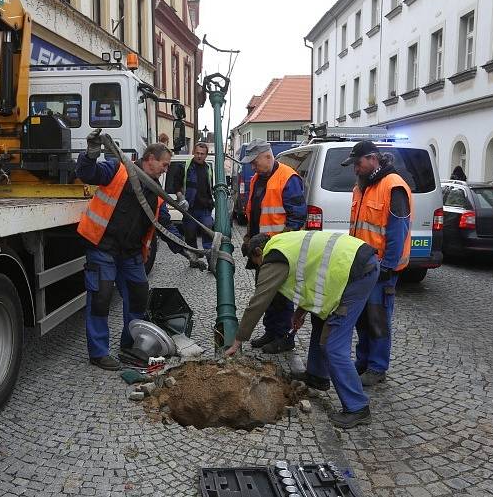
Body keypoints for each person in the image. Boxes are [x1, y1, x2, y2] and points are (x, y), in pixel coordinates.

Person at [225, 231, 379, 429]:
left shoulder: (274, 258)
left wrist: (238, 339)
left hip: (357, 273)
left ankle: (358, 407)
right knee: (320, 321)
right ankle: (317, 376)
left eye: (256, 263)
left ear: (258, 251)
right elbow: (312, 275)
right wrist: (301, 311)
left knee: (333, 345)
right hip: (354, 265)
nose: (259, 268)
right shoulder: (284, 244)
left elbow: (259, 301)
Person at [76, 129, 202, 371]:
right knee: (101, 298)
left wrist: (186, 250)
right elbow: (87, 173)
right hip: (103, 247)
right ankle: (99, 353)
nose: (166, 169)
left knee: (138, 297)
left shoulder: (156, 192)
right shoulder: (117, 169)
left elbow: (164, 226)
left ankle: (130, 344)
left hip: (131, 254)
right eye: (164, 165)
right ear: (150, 158)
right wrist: (91, 154)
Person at [342, 140, 412, 386]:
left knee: (378, 319)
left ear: (373, 159)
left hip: (381, 270)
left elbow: (397, 231)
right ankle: (363, 362)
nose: (355, 169)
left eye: (358, 163)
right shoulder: (361, 187)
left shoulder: (393, 187)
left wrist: (387, 267)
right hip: (362, 266)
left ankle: (377, 367)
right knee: (362, 318)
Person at [242, 138, 306, 354]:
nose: (252, 166)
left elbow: (296, 219)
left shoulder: (288, 178)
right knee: (267, 292)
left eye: (254, 162)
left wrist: (281, 246)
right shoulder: (256, 179)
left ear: (267, 156)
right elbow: (254, 212)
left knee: (282, 295)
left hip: (279, 251)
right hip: (262, 250)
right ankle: (271, 332)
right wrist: (248, 238)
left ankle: (284, 337)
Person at [175, 142, 215, 260]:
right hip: (190, 208)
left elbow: (209, 187)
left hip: (205, 208)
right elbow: (176, 185)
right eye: (197, 153)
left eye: (202, 154)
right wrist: (181, 198)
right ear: (193, 152)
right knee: (190, 236)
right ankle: (194, 259)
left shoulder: (208, 168)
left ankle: (210, 260)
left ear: (206, 155)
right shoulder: (184, 167)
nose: (199, 156)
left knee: (208, 234)